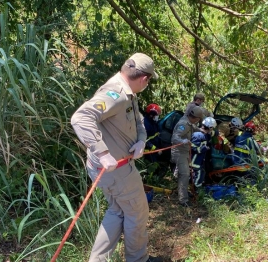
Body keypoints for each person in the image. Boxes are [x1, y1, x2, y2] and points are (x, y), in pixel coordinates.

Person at [71, 53, 162, 262]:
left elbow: (138, 120)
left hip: (113, 170)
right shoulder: (116, 93)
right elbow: (81, 118)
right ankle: (138, 260)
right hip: (116, 172)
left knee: (118, 211)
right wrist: (103, 153)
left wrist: (141, 140)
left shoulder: (129, 93)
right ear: (144, 79)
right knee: (137, 211)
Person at [171, 106, 205, 207]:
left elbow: (195, 129)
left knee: (182, 173)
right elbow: (174, 137)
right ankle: (183, 200)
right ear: (196, 118)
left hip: (185, 152)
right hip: (179, 152)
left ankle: (181, 190)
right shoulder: (183, 124)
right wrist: (182, 141)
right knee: (185, 175)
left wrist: (203, 131)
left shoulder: (190, 123)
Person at [190, 117, 217, 188]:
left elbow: (212, 134)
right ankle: (196, 189)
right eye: (212, 128)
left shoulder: (205, 135)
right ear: (209, 127)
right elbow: (193, 148)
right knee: (199, 174)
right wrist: (204, 148)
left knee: (201, 173)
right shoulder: (198, 136)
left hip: (200, 160)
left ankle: (194, 186)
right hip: (194, 160)